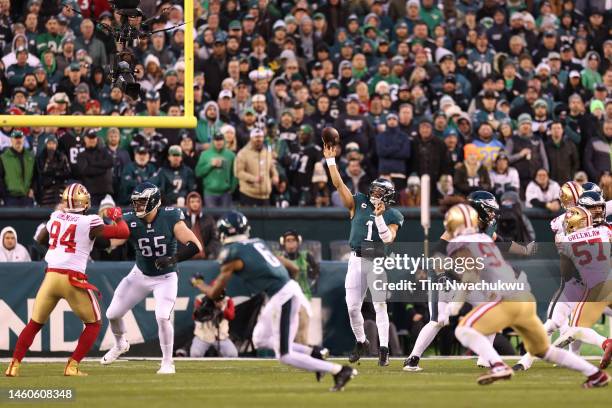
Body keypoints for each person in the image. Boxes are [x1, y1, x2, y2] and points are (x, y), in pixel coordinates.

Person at [444, 203, 608, 388]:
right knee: (543, 350)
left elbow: (470, 274)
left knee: (464, 329)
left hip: (506, 300)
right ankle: (595, 375)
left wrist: (457, 304)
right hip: (524, 297)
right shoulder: (484, 237)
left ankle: (497, 365)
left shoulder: (458, 244)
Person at [194, 211, 357, 391]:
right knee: (260, 338)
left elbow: (214, 293)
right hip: (283, 292)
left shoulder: (232, 253)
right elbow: (293, 268)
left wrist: (198, 283)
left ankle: (339, 370)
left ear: (223, 232)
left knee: (285, 355)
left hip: (282, 296)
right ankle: (314, 352)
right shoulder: (258, 243)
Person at [5, 183, 128, 377]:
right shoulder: (90, 221)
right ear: (85, 201)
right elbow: (123, 233)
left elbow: (41, 239)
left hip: (51, 276)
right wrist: (117, 216)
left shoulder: (55, 217)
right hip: (72, 279)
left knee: (34, 323)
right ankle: (72, 365)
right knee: (94, 324)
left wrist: (60, 247)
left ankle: (14, 365)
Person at [101, 182, 202, 374]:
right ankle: (121, 343)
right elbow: (112, 242)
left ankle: (167, 362)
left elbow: (195, 245)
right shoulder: (130, 219)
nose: (137, 207)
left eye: (142, 202)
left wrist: (173, 259)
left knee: (162, 316)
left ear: (154, 202)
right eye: (136, 202)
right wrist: (95, 232)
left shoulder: (171, 217)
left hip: (166, 277)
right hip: (140, 274)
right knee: (112, 314)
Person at [324, 141, 404, 367]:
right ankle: (361, 341)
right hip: (356, 258)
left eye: (379, 192)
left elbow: (388, 239)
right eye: (374, 190)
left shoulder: (393, 214)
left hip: (377, 260)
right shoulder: (358, 203)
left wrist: (379, 217)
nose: (374, 194)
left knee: (380, 305)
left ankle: (384, 349)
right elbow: (339, 185)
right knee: (352, 307)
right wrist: (331, 161)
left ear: (387, 196)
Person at [277, 230, 320, 345]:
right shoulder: (280, 258)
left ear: (298, 242)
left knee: (302, 327)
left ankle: (302, 352)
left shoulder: (306, 256)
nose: (290, 244)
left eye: (293, 240)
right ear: (283, 243)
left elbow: (315, 272)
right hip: (285, 297)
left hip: (303, 296)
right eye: (288, 241)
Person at [188, 284, 238, 358]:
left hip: (221, 337)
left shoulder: (227, 300)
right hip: (203, 337)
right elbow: (195, 317)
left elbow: (231, 316)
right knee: (195, 354)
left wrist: (222, 308)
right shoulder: (201, 299)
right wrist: (206, 307)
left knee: (232, 354)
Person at [234, 128, 279, 206]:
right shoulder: (243, 153)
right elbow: (238, 172)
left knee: (266, 218)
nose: (258, 140)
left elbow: (271, 166)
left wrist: (275, 176)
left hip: (265, 196)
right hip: (249, 195)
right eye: (256, 137)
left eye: (260, 137)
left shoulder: (267, 152)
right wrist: (253, 179)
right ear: (251, 138)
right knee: (250, 218)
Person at [195, 132, 236, 208]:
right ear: (212, 141)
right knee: (211, 218)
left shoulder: (231, 155)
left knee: (224, 217)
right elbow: (198, 172)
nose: (218, 142)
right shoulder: (205, 154)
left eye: (220, 139)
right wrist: (210, 165)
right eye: (216, 140)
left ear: (224, 141)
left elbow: (235, 173)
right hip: (209, 192)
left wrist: (232, 188)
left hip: (226, 193)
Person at [75, 129, 113, 206]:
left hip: (106, 192)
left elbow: (110, 163)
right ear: (85, 139)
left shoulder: (104, 151)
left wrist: (92, 164)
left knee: (109, 216)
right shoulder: (81, 155)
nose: (92, 140)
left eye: (94, 138)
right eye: (90, 138)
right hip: (91, 193)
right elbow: (85, 171)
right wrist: (103, 168)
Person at [182, 192, 221, 260]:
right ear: (188, 203)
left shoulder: (209, 219)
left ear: (201, 203)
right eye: (192, 201)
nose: (195, 204)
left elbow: (215, 238)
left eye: (197, 201)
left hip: (206, 255)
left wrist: (206, 251)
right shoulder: (182, 220)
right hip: (186, 256)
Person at [0, 130, 35, 206]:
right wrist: (4, 195)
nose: (18, 140)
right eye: (16, 138)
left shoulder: (30, 157)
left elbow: (35, 175)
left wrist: (33, 189)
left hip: (27, 197)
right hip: (10, 198)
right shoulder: (3, 157)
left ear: (24, 139)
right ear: (11, 140)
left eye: (20, 138)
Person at [35, 135, 71, 207]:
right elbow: (41, 173)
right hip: (46, 190)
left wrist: (53, 173)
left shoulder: (62, 156)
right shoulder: (41, 157)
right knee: (46, 213)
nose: (51, 146)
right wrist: (56, 172)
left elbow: (67, 173)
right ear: (46, 145)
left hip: (60, 189)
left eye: (53, 143)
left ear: (56, 145)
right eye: (49, 143)